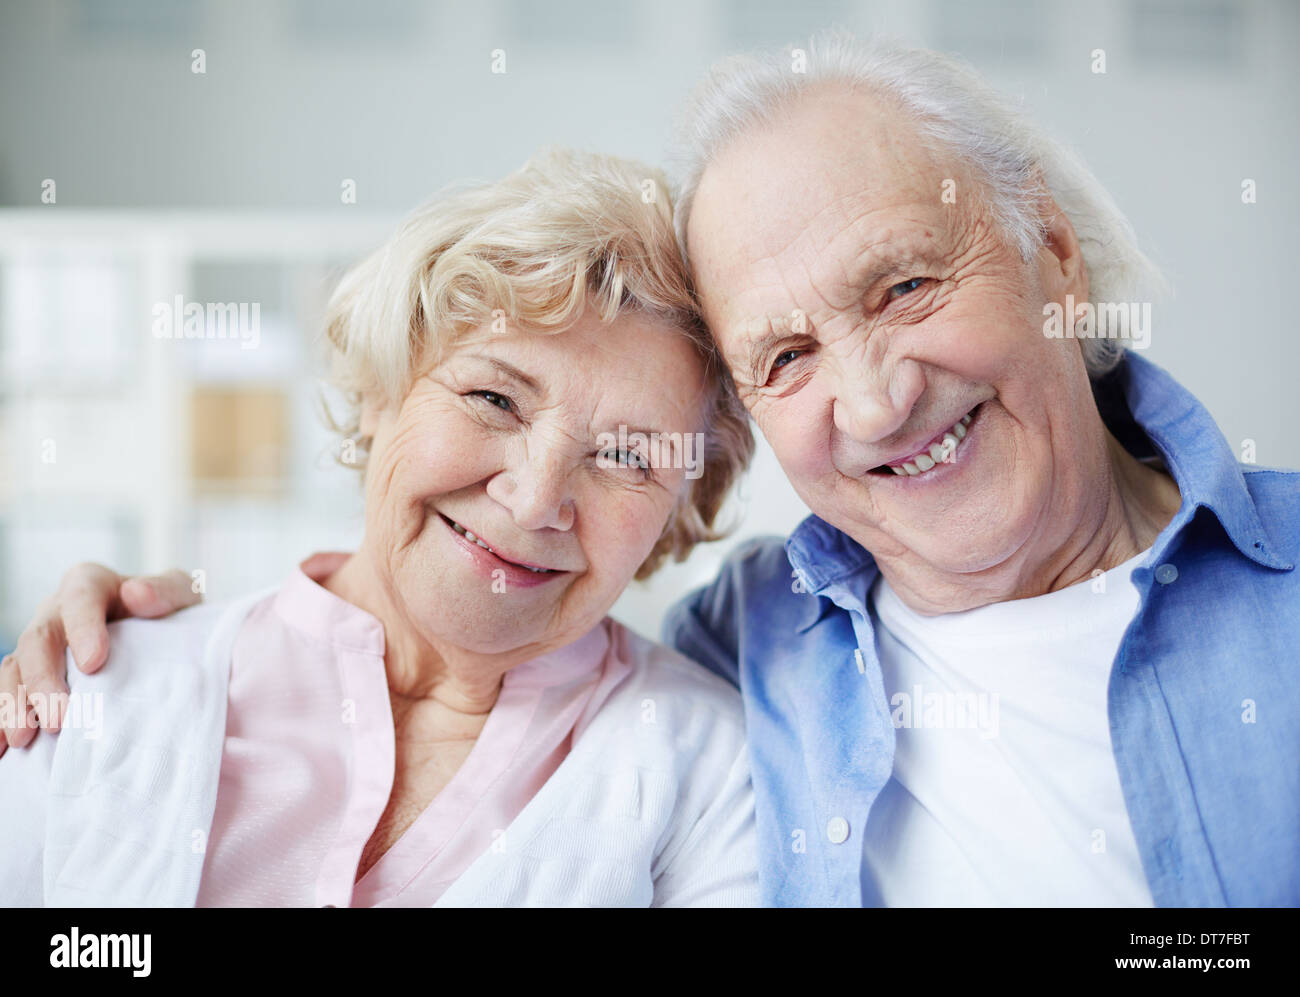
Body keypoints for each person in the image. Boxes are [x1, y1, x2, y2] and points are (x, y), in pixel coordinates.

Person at [8, 33, 1298, 908]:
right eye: (786, 353)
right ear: (382, 385)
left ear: (1053, 261)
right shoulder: (764, 647)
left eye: (906, 285)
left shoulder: (700, 727)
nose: (875, 397)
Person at [0, 146, 759, 907]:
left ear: (676, 513)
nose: (534, 502)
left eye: (628, 454)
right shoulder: (99, 683)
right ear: (379, 388)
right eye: (494, 398)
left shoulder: (714, 771)